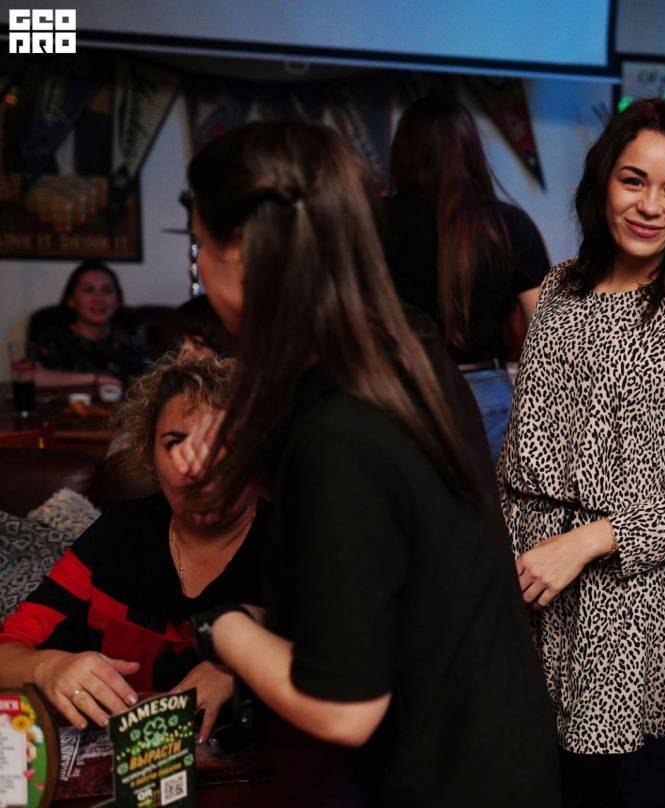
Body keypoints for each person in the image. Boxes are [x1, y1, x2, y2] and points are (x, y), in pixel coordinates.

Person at [171, 121, 560, 807]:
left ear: (248, 254)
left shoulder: (339, 435)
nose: (199, 270)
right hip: (499, 744)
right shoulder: (405, 342)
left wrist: (220, 627)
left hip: (451, 780)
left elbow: (344, 709)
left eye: (200, 246)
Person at [498, 98, 665, 806]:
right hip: (518, 567)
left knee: (583, 789)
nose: (650, 207)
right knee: (503, 769)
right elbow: (522, 443)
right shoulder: (558, 289)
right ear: (603, 179)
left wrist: (583, 544)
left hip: (615, 595)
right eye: (633, 180)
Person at [0, 352, 262, 742]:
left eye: (221, 443)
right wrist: (49, 668)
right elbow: (7, 653)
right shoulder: (118, 532)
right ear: (150, 455)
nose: (195, 465)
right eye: (175, 442)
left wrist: (239, 669)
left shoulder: (297, 539)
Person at [383, 94, 551, 459]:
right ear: (471, 152)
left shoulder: (375, 221)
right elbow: (546, 336)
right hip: (487, 397)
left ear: (403, 152)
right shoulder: (510, 226)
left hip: (399, 393)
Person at [30, 260, 145, 389]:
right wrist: (96, 379)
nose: (98, 299)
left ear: (117, 301)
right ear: (71, 300)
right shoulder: (53, 338)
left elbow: (149, 381)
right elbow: (30, 376)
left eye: (107, 291)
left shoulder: (129, 340)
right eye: (88, 290)